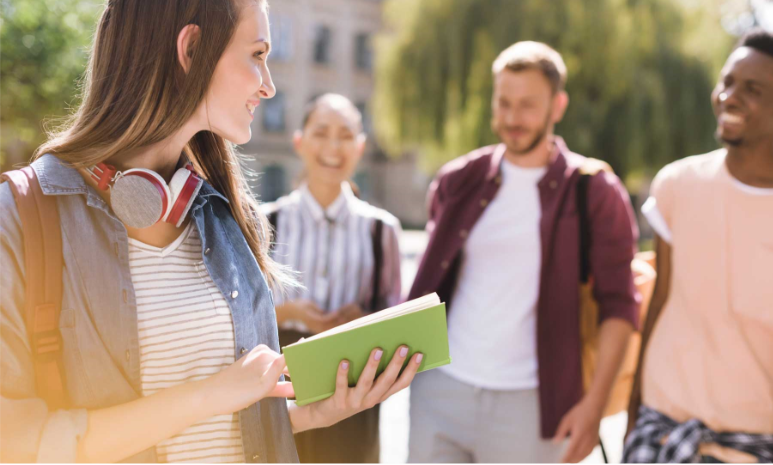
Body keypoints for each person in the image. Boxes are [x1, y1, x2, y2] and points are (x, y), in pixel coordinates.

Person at [0, 1, 421, 463]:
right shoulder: (19, 219)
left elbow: (230, 422)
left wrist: (304, 413)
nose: (268, 85)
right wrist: (209, 395)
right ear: (192, 49)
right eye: (257, 54)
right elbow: (15, 443)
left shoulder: (225, 213)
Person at [407, 41, 640, 464]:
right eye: (504, 103)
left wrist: (594, 407)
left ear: (558, 105)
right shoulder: (457, 180)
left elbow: (620, 307)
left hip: (533, 405)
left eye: (528, 105)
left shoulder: (595, 192)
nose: (513, 119)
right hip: (440, 391)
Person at [623, 30, 773, 464]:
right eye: (727, 82)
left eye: (752, 89)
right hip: (661, 432)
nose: (729, 97)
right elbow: (661, 300)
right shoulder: (677, 184)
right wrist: (634, 410)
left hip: (762, 442)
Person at [262, 93, 403, 464]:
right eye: (321, 132)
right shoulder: (265, 222)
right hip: (279, 386)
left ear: (360, 147)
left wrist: (364, 322)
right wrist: (291, 311)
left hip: (354, 390)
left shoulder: (381, 230)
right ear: (299, 141)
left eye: (345, 136)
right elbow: (239, 315)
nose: (333, 147)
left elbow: (397, 319)